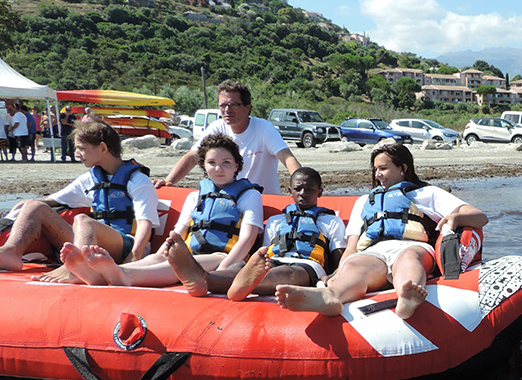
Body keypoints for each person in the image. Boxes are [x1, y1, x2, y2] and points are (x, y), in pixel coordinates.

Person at [275, 142, 487, 320]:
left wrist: (456, 217)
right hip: (374, 252)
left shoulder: (427, 193)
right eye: (375, 169)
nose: (378, 175)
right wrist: (337, 273)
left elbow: (479, 217)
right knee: (356, 265)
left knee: (409, 259)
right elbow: (352, 247)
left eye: (383, 168)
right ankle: (331, 296)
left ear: (403, 167)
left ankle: (407, 294)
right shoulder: (363, 202)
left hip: (413, 246)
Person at [60, 133, 264, 288]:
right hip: (189, 253)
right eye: (212, 163)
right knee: (158, 259)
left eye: (226, 163)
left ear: (237, 165)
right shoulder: (195, 196)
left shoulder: (249, 195)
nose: (218, 169)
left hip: (223, 257)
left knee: (187, 262)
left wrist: (223, 270)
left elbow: (247, 239)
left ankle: (123, 275)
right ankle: (100, 275)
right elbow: (179, 232)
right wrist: (161, 254)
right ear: (203, 165)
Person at [0, 119, 160, 274]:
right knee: (34, 205)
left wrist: (133, 258)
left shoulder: (138, 180)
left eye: (81, 148)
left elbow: (145, 224)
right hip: (92, 243)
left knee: (83, 220)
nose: (77, 154)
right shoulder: (89, 179)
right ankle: (11, 252)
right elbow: (52, 201)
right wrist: (26, 206)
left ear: (103, 148)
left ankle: (76, 268)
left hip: (126, 246)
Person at [164, 167, 347, 299]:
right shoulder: (276, 221)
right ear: (290, 191)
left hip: (308, 266)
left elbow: (338, 260)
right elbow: (265, 254)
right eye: (298, 189)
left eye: (310, 189)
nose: (303, 193)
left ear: (320, 192)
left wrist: (332, 277)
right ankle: (206, 278)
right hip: (274, 260)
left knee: (286, 272)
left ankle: (223, 282)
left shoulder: (331, 221)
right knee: (239, 267)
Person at [155, 80, 300, 194]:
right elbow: (193, 157)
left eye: (233, 105)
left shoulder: (264, 128)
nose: (227, 110)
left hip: (263, 201)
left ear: (247, 108)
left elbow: (287, 157)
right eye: (222, 105)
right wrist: (168, 182)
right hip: (229, 203)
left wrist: (301, 186)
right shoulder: (216, 128)